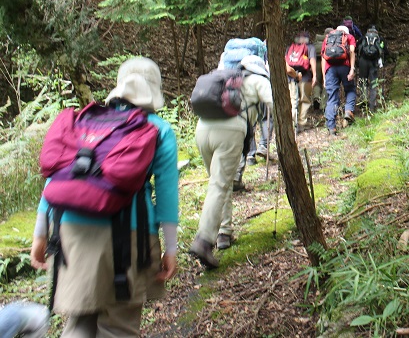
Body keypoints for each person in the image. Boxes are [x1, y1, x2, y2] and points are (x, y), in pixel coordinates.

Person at [30, 57, 179, 337]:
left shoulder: (86, 122)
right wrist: (171, 249)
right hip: (127, 238)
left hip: (69, 233)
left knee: (79, 322)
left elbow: (54, 178)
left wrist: (40, 234)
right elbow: (167, 196)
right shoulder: (159, 129)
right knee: (118, 325)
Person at [192, 54, 278, 265]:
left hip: (202, 129)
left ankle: (224, 232)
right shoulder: (259, 80)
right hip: (230, 130)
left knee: (220, 182)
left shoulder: (229, 78)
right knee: (220, 185)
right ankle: (204, 240)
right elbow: (274, 103)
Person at [322, 25, 357, 135]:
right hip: (345, 66)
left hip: (330, 69)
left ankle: (332, 127)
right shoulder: (349, 36)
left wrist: (324, 77)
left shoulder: (328, 38)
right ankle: (348, 111)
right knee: (350, 89)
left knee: (332, 97)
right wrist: (352, 69)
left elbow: (323, 57)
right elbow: (351, 51)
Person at [285, 31, 317, 132]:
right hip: (305, 77)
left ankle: (292, 123)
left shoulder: (290, 48)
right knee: (305, 100)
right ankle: (301, 123)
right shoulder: (310, 47)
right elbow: (312, 60)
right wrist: (315, 75)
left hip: (290, 77)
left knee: (293, 100)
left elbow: (285, 62)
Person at [356, 26, 386, 113]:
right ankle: (372, 106)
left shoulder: (363, 37)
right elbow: (384, 51)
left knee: (363, 81)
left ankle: (364, 101)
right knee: (373, 84)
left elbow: (357, 47)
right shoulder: (380, 38)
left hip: (363, 61)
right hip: (374, 62)